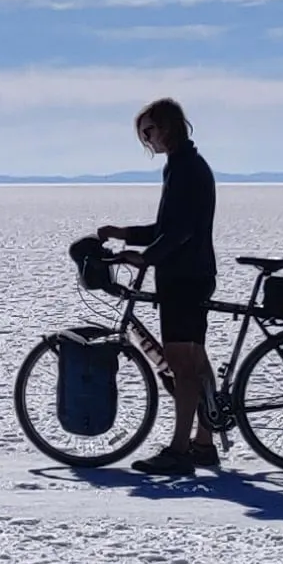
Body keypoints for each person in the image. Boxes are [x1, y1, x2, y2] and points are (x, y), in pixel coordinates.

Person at [86, 97, 218, 475]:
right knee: (194, 360)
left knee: (183, 365)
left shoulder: (187, 169)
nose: (146, 140)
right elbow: (167, 228)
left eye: (149, 131)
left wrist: (146, 257)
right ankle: (204, 443)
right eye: (142, 134)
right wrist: (125, 234)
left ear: (168, 126)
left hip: (184, 279)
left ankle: (180, 450)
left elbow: (181, 231)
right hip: (190, 275)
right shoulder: (181, 166)